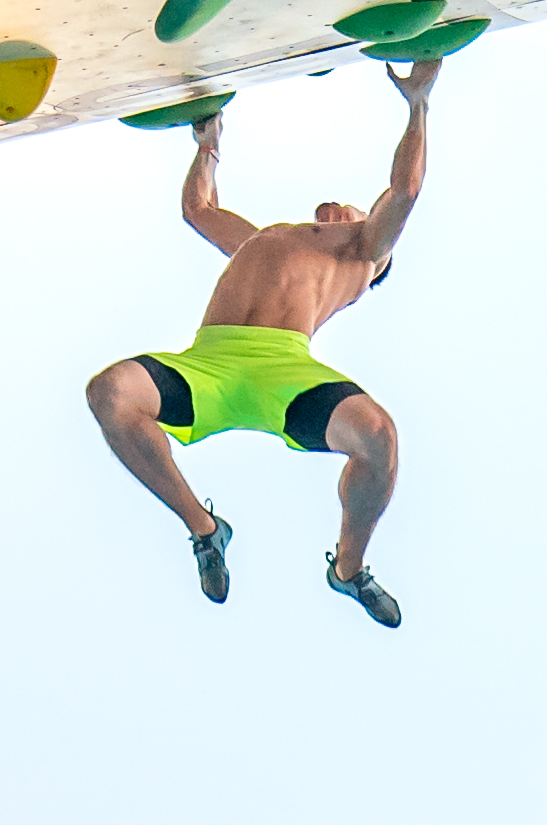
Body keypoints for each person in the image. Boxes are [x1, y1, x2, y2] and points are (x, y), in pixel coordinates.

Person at [78, 62, 442, 628]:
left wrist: (418, 104)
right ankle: (204, 529)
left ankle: (349, 568)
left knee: (379, 439)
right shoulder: (264, 243)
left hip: (284, 374)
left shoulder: (363, 252)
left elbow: (406, 190)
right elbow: (198, 210)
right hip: (209, 368)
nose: (338, 205)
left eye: (355, 209)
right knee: (110, 393)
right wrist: (209, 144)